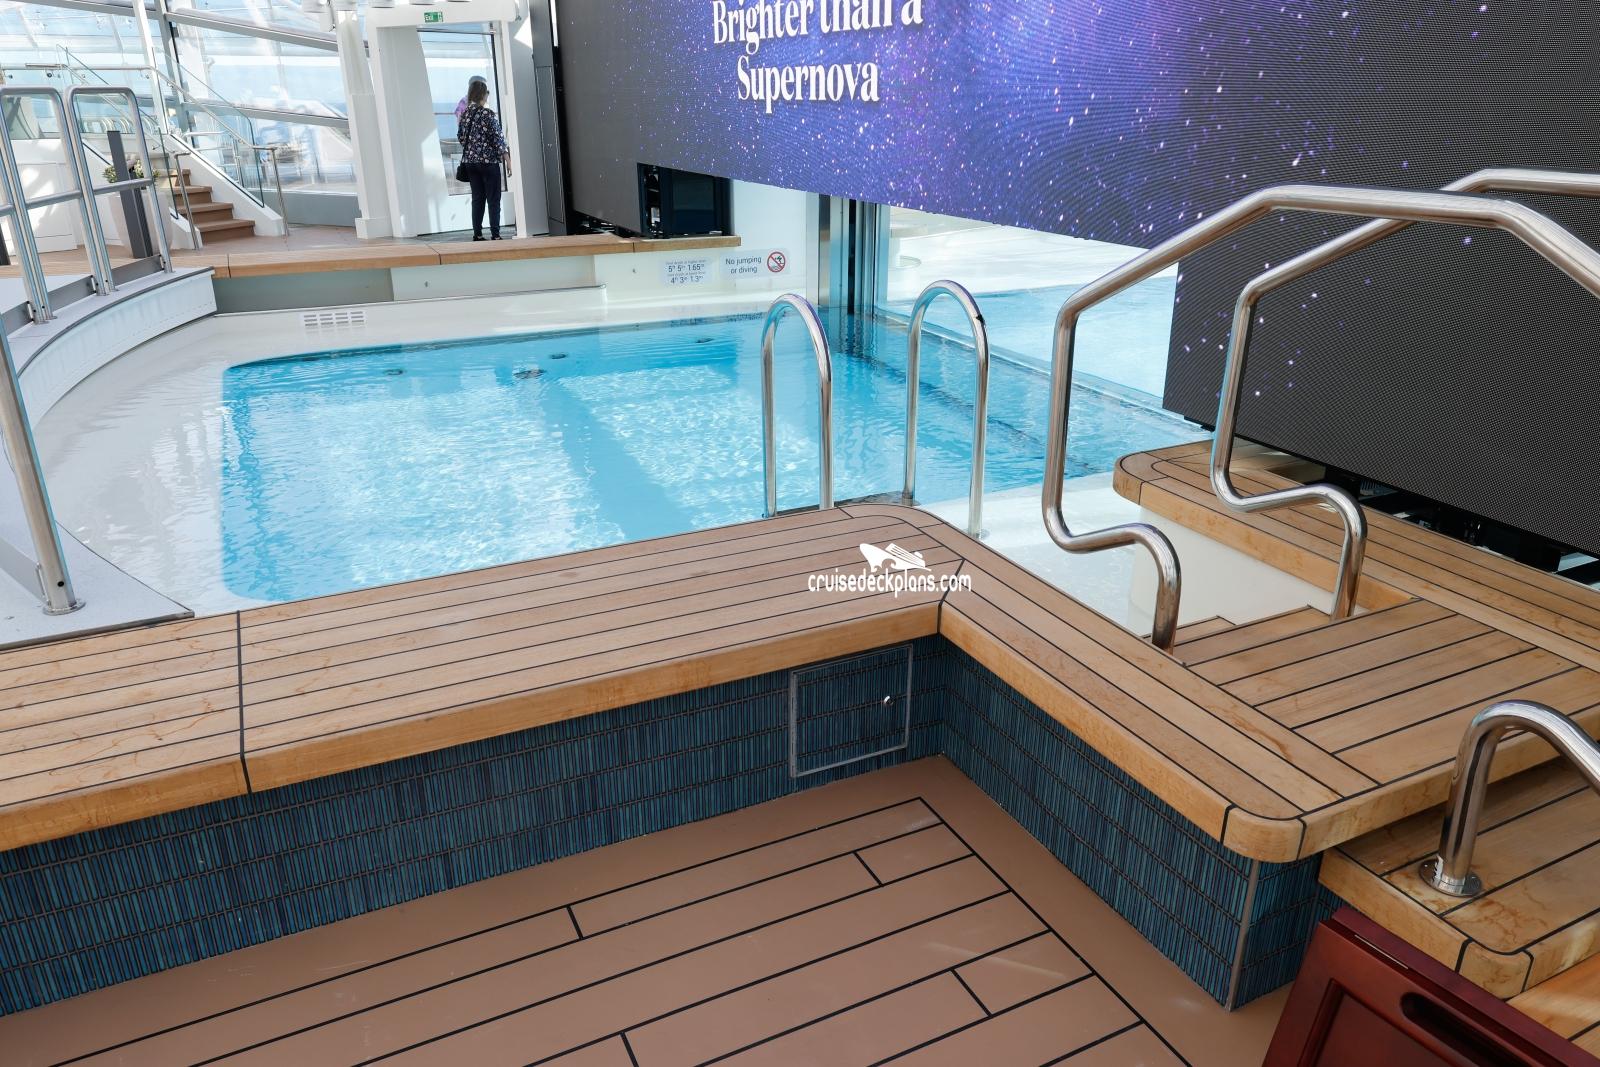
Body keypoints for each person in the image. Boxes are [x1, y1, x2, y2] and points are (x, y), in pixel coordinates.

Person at [456, 79, 511, 241]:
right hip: (488, 163)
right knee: (493, 199)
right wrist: (508, 160)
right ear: (483, 95)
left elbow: (461, 137)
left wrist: (473, 149)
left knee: (477, 199)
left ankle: (478, 234)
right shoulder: (487, 114)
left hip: (470, 163)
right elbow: (498, 139)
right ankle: (495, 235)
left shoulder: (465, 114)